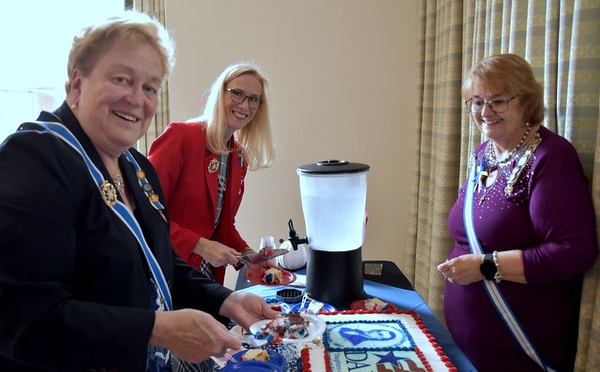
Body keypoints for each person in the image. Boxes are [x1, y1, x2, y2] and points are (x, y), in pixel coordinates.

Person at [0, 11, 277, 371]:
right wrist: (157, 328)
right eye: (121, 78)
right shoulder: (35, 157)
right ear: (76, 83)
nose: (137, 99)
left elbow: (158, 261)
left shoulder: (135, 167)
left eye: (149, 87)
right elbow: (24, 320)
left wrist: (227, 300)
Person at [436, 53, 598, 371]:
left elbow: (574, 252)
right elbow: (477, 219)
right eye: (476, 101)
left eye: (498, 101)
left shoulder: (551, 158)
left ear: (526, 100)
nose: (485, 112)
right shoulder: (484, 156)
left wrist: (485, 267)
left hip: (520, 350)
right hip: (470, 348)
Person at [148, 62, 276, 284]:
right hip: (166, 274)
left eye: (253, 99)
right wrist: (200, 245)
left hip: (205, 280)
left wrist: (249, 255)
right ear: (220, 93)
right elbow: (145, 211)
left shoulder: (238, 158)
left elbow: (223, 227)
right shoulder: (181, 137)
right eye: (237, 94)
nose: (245, 106)